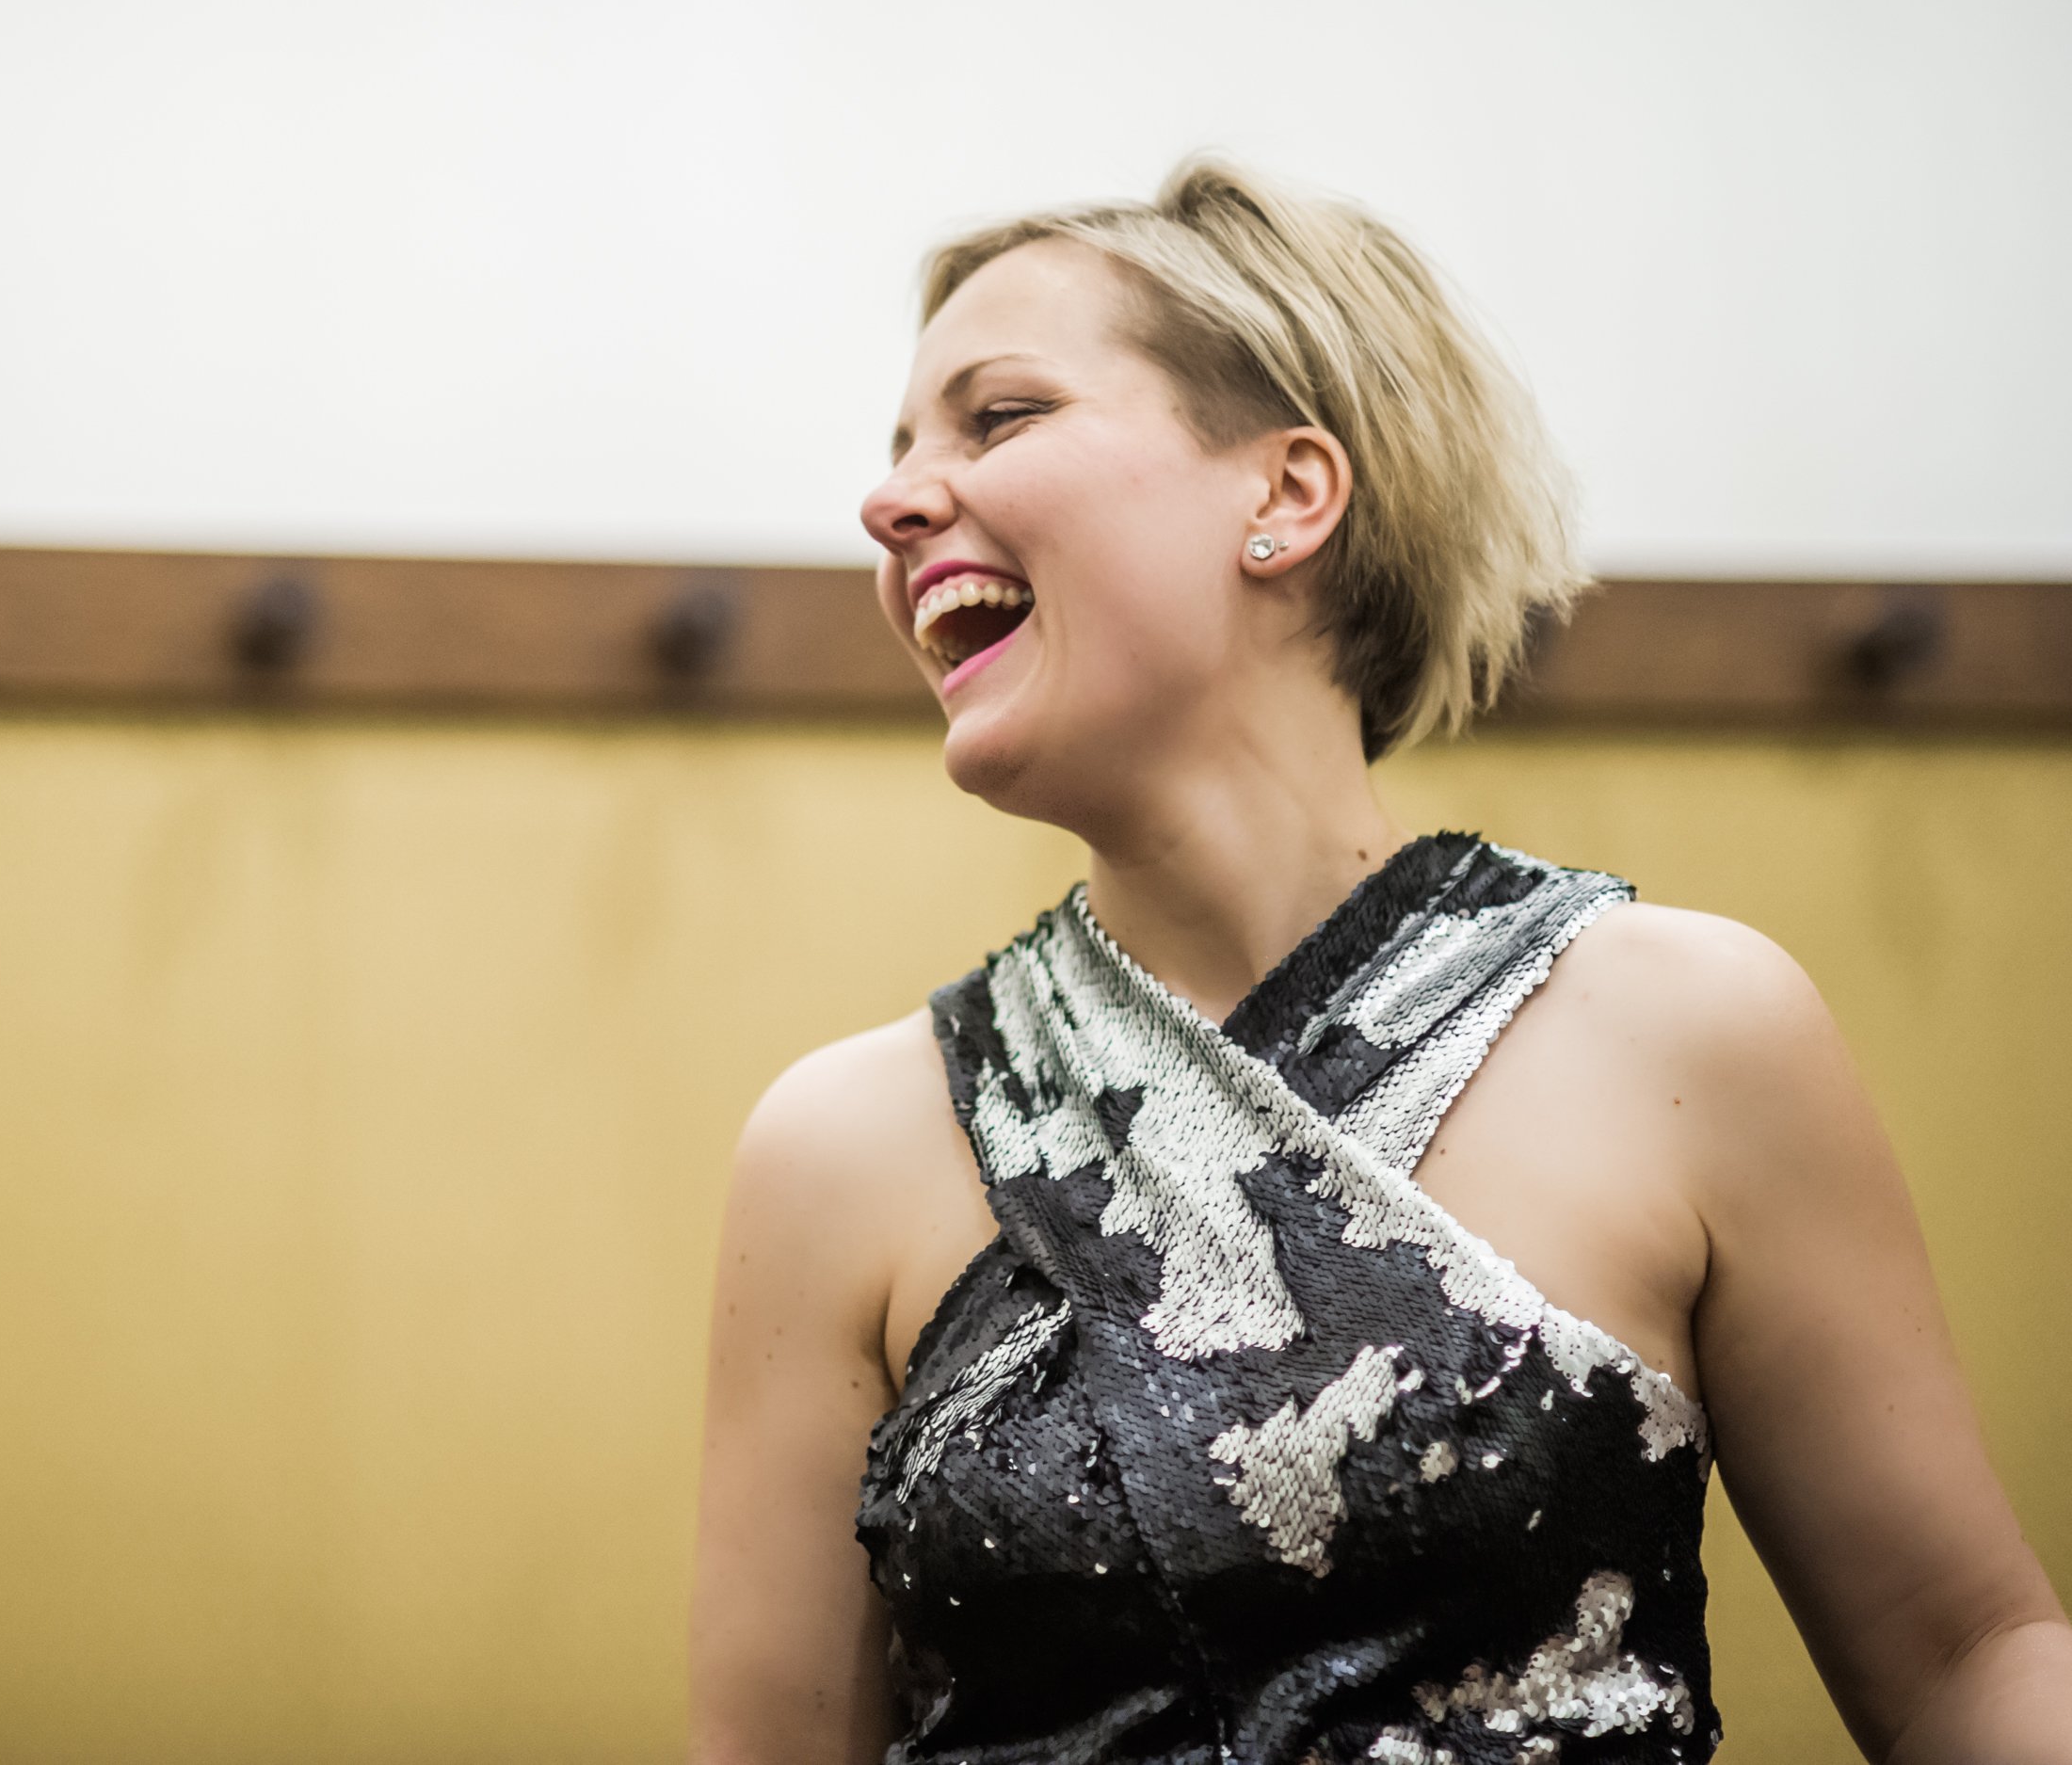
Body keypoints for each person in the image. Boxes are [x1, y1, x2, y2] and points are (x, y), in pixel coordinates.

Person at [687, 160, 2072, 1764]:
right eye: (895, 455)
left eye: (999, 418)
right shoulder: (836, 1149)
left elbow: (1968, 1655)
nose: (893, 505)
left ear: (1286, 495)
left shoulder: (1690, 1035)